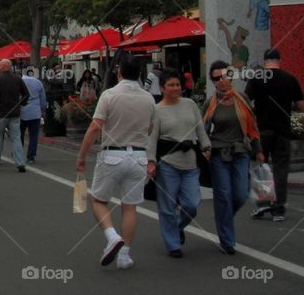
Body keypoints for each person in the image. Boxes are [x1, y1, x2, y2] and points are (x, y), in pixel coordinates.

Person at [76, 50, 155, 270]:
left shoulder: (109, 95)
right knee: (130, 206)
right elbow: (149, 128)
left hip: (113, 153)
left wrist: (81, 156)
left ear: (119, 72)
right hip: (139, 155)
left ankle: (112, 236)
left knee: (99, 201)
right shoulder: (148, 98)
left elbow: (95, 128)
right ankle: (125, 255)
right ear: (139, 73)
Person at [146, 69, 211, 258]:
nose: (176, 88)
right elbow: (151, 139)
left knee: (191, 204)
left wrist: (206, 146)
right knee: (167, 207)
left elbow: (199, 127)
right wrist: (151, 162)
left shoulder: (190, 104)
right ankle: (173, 245)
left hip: (190, 162)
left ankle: (177, 227)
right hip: (167, 164)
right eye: (171, 85)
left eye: (178, 85)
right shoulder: (157, 110)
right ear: (162, 88)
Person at [203, 60, 264, 254]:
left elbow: (252, 126)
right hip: (218, 153)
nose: (222, 81)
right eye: (216, 78)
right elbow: (202, 130)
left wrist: (259, 150)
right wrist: (204, 148)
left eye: (225, 76)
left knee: (240, 194)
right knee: (224, 196)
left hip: (241, 152)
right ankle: (227, 240)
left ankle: (224, 219)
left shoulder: (242, 98)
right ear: (213, 81)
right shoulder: (209, 103)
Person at [246, 48, 304, 222]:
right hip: (283, 131)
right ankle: (278, 210)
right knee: (281, 169)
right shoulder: (290, 79)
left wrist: (256, 111)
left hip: (262, 130)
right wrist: (288, 109)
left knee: (261, 167)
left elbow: (245, 101)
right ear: (279, 60)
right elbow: (301, 106)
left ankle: (263, 204)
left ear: (265, 61)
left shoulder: (257, 78)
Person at [0, 59, 29, 172]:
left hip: (0, 113)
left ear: (3, 66)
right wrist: (21, 104)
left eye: (0, 65)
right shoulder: (17, 78)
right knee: (16, 138)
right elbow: (26, 94)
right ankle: (20, 162)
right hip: (14, 113)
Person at [20, 69, 47, 164]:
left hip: (22, 111)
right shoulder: (38, 82)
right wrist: (43, 111)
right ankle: (31, 156)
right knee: (34, 135)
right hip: (35, 112)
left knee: (20, 134)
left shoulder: (20, 81)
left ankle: (18, 153)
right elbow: (43, 99)